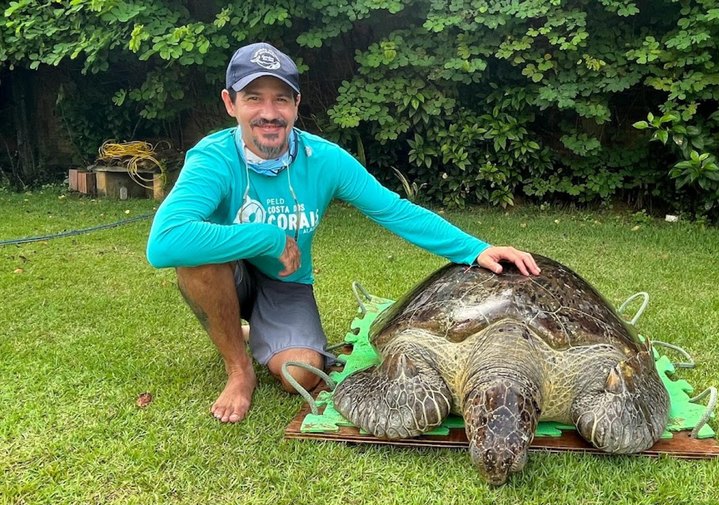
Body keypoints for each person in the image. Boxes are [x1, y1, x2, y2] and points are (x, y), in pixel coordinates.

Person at [146, 42, 540, 424]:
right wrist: (265, 237)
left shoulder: (326, 159)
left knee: (299, 373)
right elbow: (164, 243)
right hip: (227, 272)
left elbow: (394, 210)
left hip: (286, 282)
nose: (269, 113)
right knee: (195, 259)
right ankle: (238, 369)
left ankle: (252, 329)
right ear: (230, 103)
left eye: (281, 99)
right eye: (254, 98)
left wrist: (475, 248)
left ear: (297, 106)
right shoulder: (212, 158)